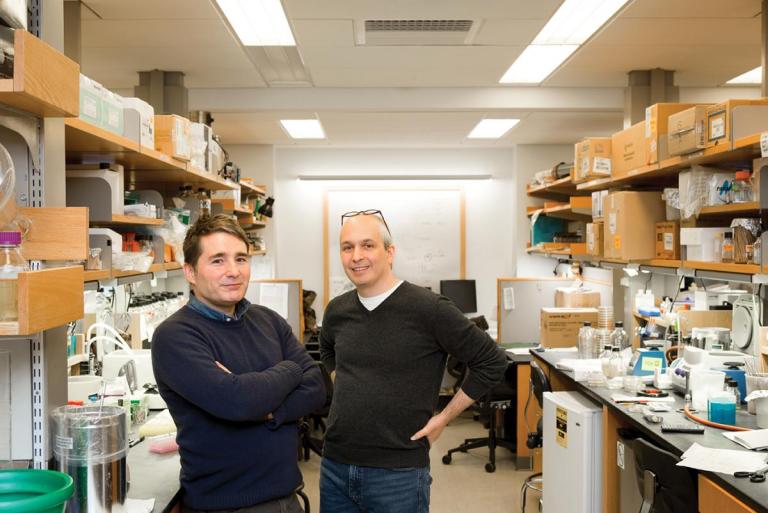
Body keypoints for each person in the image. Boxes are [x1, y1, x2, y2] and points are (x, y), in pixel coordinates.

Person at [319, 210, 508, 513]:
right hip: (335, 466)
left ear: (389, 252)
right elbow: (327, 349)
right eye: (347, 247)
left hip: (399, 473)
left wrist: (444, 418)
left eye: (368, 245)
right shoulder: (337, 310)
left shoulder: (429, 308)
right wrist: (337, 378)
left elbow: (492, 361)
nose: (356, 256)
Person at [152, 214, 325, 513]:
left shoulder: (267, 319)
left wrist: (271, 409)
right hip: (226, 506)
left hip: (288, 498)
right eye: (217, 260)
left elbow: (316, 386)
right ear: (190, 271)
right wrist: (291, 369)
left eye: (241, 259)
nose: (233, 271)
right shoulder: (175, 336)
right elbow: (238, 402)